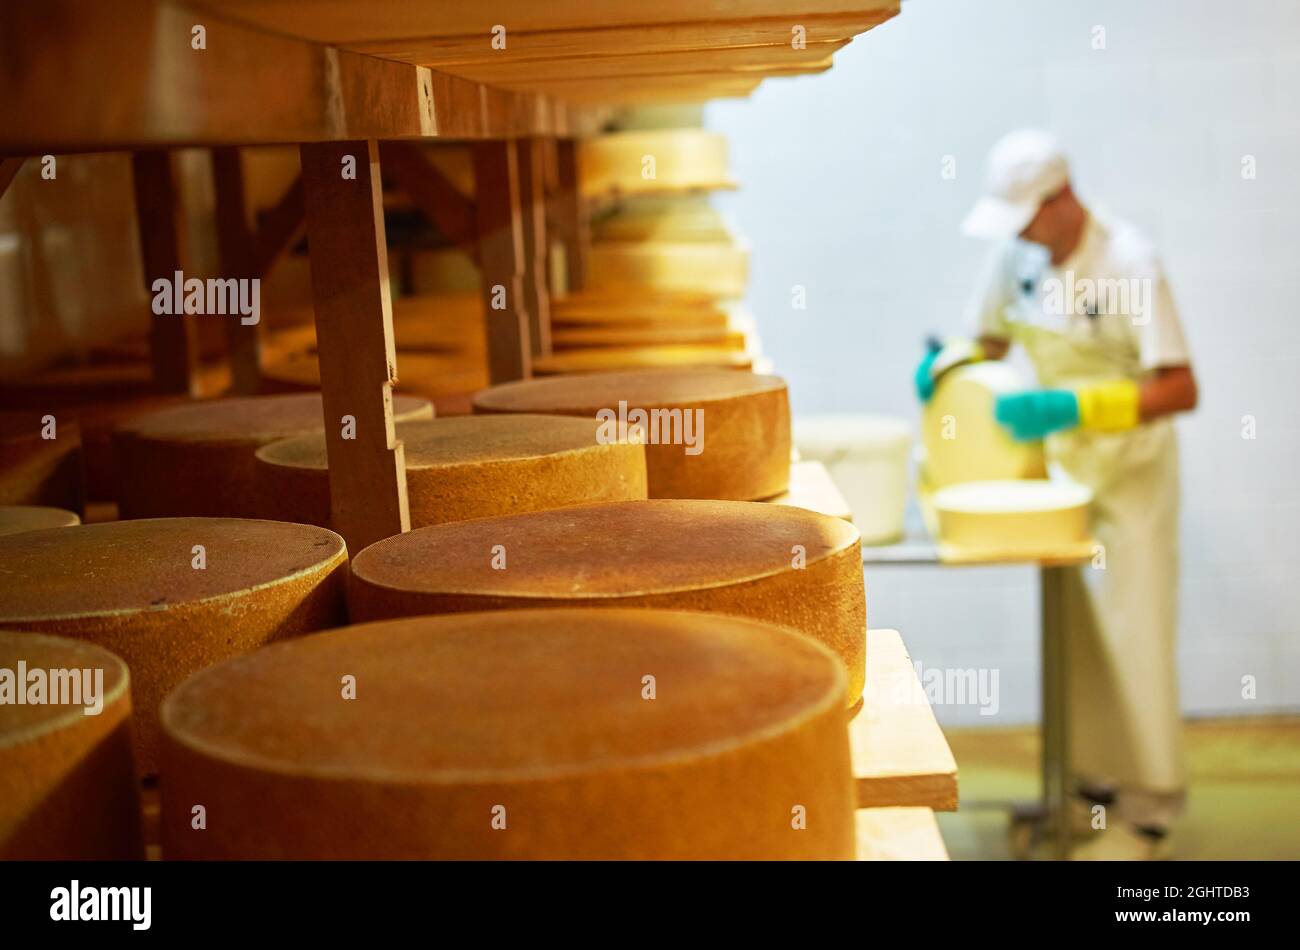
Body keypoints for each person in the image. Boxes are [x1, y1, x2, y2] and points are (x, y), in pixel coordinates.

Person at [917, 129, 1199, 860]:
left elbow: (1180, 386)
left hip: (1132, 476)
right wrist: (945, 366)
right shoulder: (1019, 252)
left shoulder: (1129, 260)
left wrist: (1075, 406)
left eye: (1030, 220)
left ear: (1064, 200)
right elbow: (990, 344)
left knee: (1135, 634)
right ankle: (1094, 789)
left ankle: (1150, 811)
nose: (1023, 238)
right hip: (1064, 476)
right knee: (1081, 638)